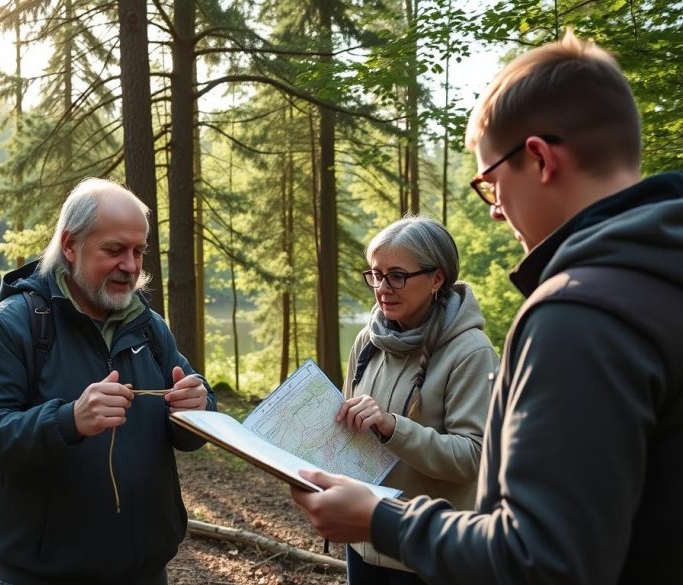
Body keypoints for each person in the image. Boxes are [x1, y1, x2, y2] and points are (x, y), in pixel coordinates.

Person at [291, 30, 683, 584]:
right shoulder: (658, 279)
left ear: (540, 159)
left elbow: (540, 559)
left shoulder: (579, 314)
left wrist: (384, 520)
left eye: (491, 185)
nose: (496, 211)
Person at [0, 178, 216, 585]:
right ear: (70, 245)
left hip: (147, 573)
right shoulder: (12, 325)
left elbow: (192, 428)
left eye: (139, 251)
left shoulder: (149, 328)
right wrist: (68, 420)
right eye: (114, 250)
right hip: (43, 576)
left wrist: (199, 409)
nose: (130, 265)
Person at [337, 216, 497, 584]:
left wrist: (393, 426)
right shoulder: (368, 341)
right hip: (364, 540)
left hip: (428, 554)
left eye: (397, 275)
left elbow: (474, 458)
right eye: (375, 274)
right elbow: (347, 426)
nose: (382, 288)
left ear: (437, 278)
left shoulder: (471, 353)